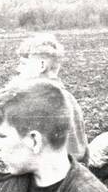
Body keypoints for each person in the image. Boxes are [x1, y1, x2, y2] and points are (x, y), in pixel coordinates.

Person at [15, 33, 88, 162]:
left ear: (41, 65)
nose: (18, 69)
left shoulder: (43, 102)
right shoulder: (68, 98)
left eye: (23, 64)